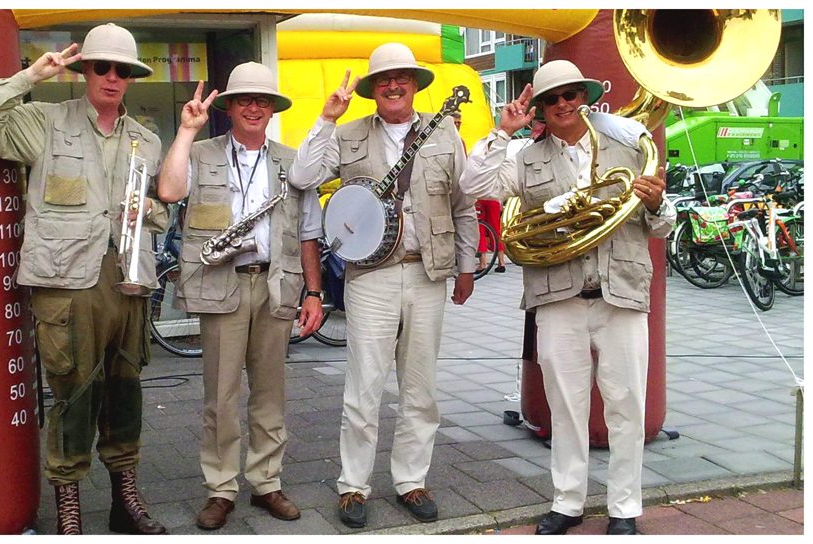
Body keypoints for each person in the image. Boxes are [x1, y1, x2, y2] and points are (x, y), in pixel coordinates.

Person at [0, 23, 169, 535]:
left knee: (126, 387)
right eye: (103, 67)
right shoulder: (46, 123)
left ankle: (126, 497)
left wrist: (153, 209)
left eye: (124, 70)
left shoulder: (145, 139)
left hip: (128, 279)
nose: (113, 77)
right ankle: (69, 504)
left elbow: (160, 210)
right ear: (84, 72)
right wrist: (30, 74)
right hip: (66, 283)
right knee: (74, 391)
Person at [459, 59, 676, 535]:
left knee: (625, 405)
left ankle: (624, 508)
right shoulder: (523, 155)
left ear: (585, 96)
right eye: (551, 99)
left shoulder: (627, 145)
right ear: (538, 108)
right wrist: (501, 132)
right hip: (558, 296)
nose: (562, 105)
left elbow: (662, 225)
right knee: (566, 405)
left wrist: (658, 203)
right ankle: (568, 501)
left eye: (570, 95)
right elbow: (472, 185)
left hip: (620, 293)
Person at [287, 42, 478, 528]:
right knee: (363, 388)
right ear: (373, 90)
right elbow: (302, 175)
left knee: (420, 389)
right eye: (384, 79)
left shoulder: (444, 135)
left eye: (403, 78)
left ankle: (411, 481)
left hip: (427, 272)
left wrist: (466, 264)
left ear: (415, 84)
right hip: (369, 277)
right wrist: (327, 118)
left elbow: (463, 203)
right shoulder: (348, 133)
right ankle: (353, 486)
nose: (394, 85)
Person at [156, 62, 324, 530]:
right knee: (221, 396)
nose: (254, 106)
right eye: (244, 99)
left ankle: (266, 482)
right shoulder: (201, 152)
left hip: (276, 283)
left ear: (273, 109)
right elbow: (169, 190)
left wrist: (314, 292)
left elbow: (309, 231)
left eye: (263, 100)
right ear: (228, 107)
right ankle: (221, 488)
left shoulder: (294, 161)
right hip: (220, 286)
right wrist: (187, 131)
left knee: (271, 393)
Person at [454, 111, 508, 274]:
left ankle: (485, 262)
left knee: (481, 228)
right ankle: (500, 261)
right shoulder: (495, 155)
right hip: (489, 196)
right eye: (456, 123)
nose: (458, 126)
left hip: (480, 196)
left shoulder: (466, 146)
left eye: (459, 123)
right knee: (492, 228)